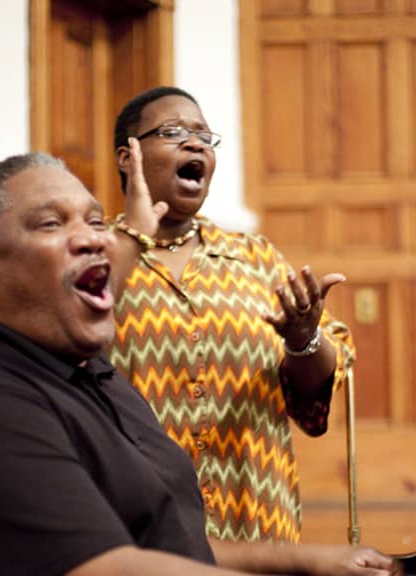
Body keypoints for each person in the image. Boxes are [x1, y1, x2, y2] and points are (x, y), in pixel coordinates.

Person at [0, 151, 399, 576]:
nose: (94, 238)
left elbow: (172, 545)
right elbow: (110, 567)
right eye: (50, 223)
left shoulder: (91, 374)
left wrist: (317, 560)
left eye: (94, 220)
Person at [106, 86, 355, 543]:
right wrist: (130, 237)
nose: (195, 143)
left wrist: (303, 340)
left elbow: (317, 390)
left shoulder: (255, 259)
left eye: (204, 135)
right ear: (128, 156)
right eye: (173, 131)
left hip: (256, 523)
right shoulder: (96, 255)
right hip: (138, 532)